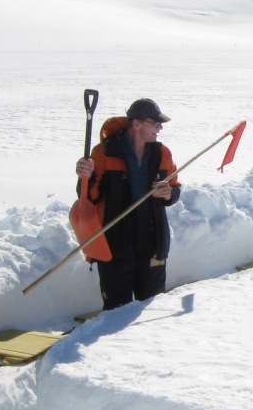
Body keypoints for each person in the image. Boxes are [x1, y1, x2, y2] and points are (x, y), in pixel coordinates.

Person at [75, 98, 181, 310]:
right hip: (115, 245)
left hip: (153, 244)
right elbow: (89, 197)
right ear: (137, 123)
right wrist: (86, 177)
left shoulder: (163, 154)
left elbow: (175, 187)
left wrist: (168, 192)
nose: (160, 128)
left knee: (151, 308)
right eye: (155, 123)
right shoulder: (104, 153)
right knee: (115, 311)